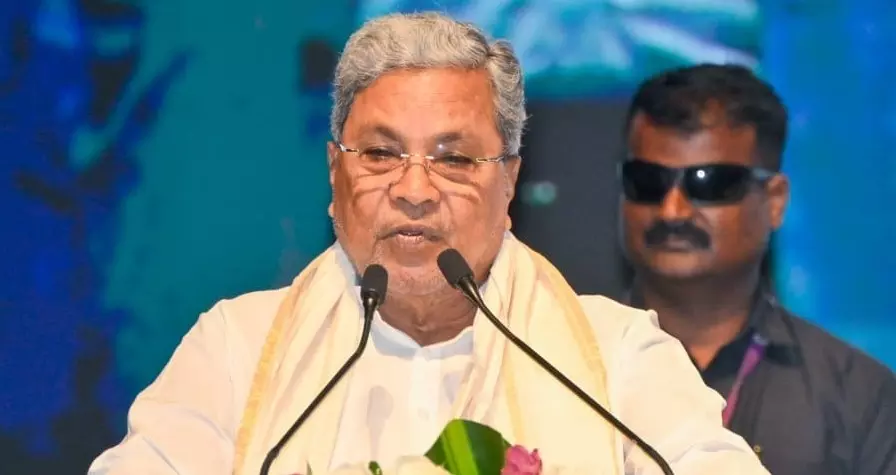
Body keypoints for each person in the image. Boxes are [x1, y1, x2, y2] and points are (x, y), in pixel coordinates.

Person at [89, 14, 769, 475]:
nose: (414, 190)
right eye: (380, 154)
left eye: (454, 159)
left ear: (509, 183)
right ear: (335, 173)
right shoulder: (236, 350)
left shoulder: (617, 357)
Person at [619, 63, 896, 475]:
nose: (672, 210)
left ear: (775, 200)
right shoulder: (562, 363)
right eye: (648, 181)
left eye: (709, 182)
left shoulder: (858, 394)